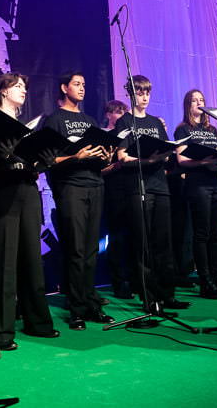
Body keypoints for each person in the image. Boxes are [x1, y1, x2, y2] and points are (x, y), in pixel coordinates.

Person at [0, 72, 60, 351]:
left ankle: (38, 322)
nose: (23, 90)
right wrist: (2, 155)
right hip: (4, 190)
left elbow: (33, 160)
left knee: (31, 256)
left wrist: (44, 160)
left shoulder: (27, 127)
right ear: (3, 91)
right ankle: (0, 331)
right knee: (2, 260)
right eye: (17, 86)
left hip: (28, 188)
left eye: (25, 86)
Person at [42, 72, 114, 331]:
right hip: (71, 188)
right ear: (64, 88)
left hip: (95, 184)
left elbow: (100, 157)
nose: (82, 88)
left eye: (84, 84)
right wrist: (76, 157)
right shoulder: (54, 120)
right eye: (76, 84)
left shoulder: (89, 120)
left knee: (92, 249)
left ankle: (91, 302)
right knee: (76, 249)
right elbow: (48, 160)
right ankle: (76, 308)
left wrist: (105, 155)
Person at [115, 75, 189, 311]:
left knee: (163, 242)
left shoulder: (156, 122)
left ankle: (168, 294)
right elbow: (122, 157)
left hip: (160, 185)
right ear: (130, 94)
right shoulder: (124, 122)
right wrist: (147, 158)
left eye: (147, 92)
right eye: (139, 92)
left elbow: (167, 151)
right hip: (138, 187)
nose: (144, 97)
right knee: (143, 243)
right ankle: (149, 297)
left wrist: (166, 154)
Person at [174, 89, 217, 298]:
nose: (199, 103)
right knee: (202, 233)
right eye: (194, 100)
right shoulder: (182, 130)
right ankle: (206, 281)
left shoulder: (212, 130)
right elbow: (182, 160)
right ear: (188, 105)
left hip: (216, 183)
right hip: (197, 184)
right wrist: (203, 162)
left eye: (202, 99)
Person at [100, 100, 135, 299]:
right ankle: (119, 281)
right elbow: (100, 169)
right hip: (113, 192)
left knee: (133, 236)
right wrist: (117, 166)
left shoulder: (131, 135)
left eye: (124, 111)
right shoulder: (105, 136)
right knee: (117, 237)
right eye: (117, 112)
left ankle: (135, 279)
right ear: (108, 115)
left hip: (132, 188)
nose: (121, 115)